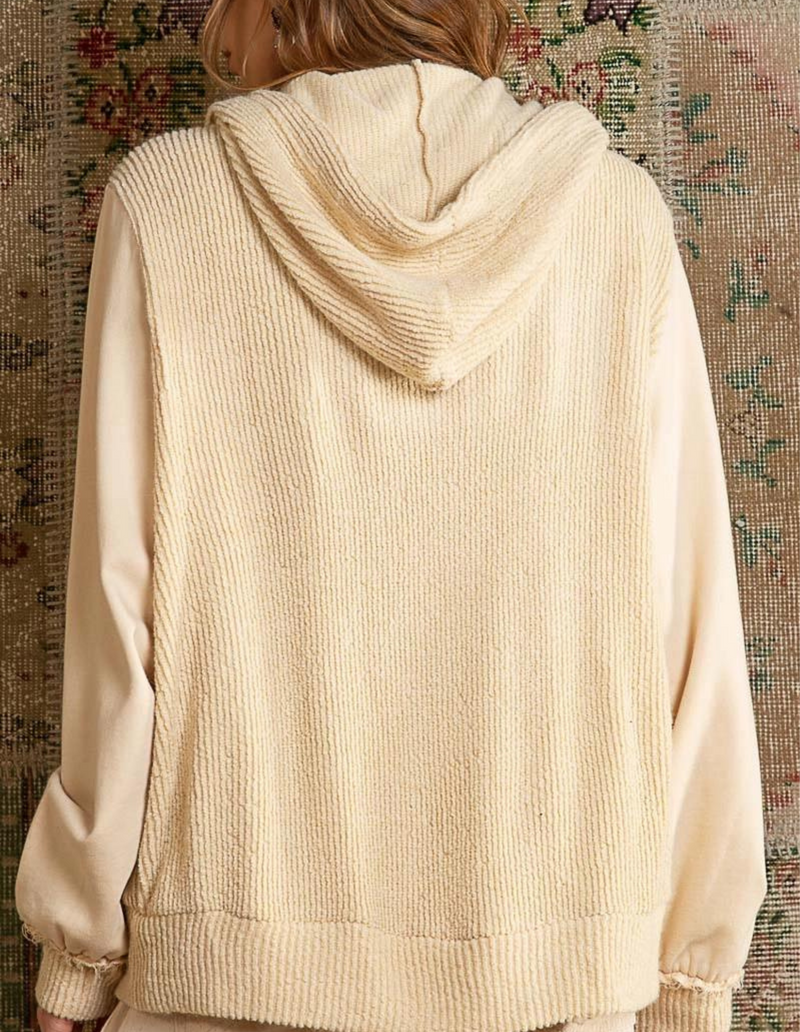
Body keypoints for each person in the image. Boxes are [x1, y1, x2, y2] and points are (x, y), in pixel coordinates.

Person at [15, 2, 769, 1032]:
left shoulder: (171, 202)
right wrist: (690, 975)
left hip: (234, 979)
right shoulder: (615, 216)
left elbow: (120, 610)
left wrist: (78, 948)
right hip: (558, 980)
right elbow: (688, 625)